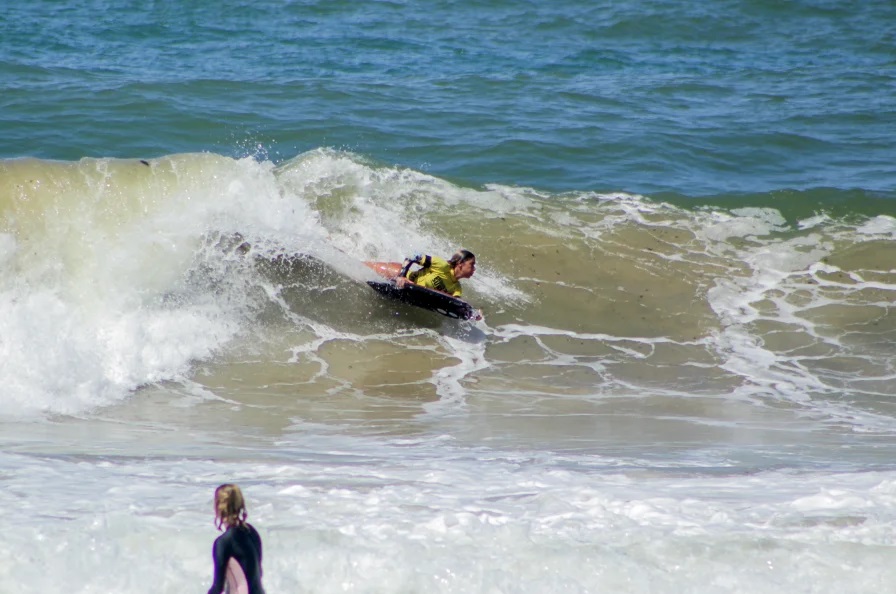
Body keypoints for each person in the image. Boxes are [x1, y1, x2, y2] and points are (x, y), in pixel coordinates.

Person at [208, 484, 266, 594]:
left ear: (218, 506)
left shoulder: (223, 542)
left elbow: (218, 587)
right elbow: (259, 573)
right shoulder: (252, 532)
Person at [394, 249, 476, 297]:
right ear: (460, 264)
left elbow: (457, 305)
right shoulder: (442, 266)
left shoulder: (456, 288)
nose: (474, 269)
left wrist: (472, 314)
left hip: (412, 292)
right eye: (472, 264)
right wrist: (402, 276)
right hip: (396, 274)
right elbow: (412, 255)